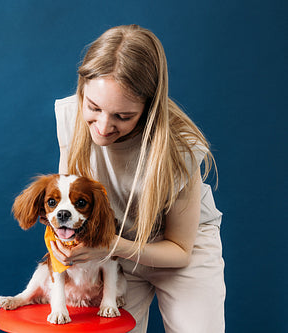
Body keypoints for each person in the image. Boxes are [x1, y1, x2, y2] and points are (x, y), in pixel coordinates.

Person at [49, 25, 225, 332]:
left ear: (149, 108)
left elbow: (181, 251)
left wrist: (112, 246)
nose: (103, 126)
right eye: (94, 107)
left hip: (177, 251)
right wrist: (62, 242)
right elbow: (65, 201)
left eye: (123, 116)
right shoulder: (69, 116)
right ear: (81, 89)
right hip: (112, 248)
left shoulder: (179, 148)